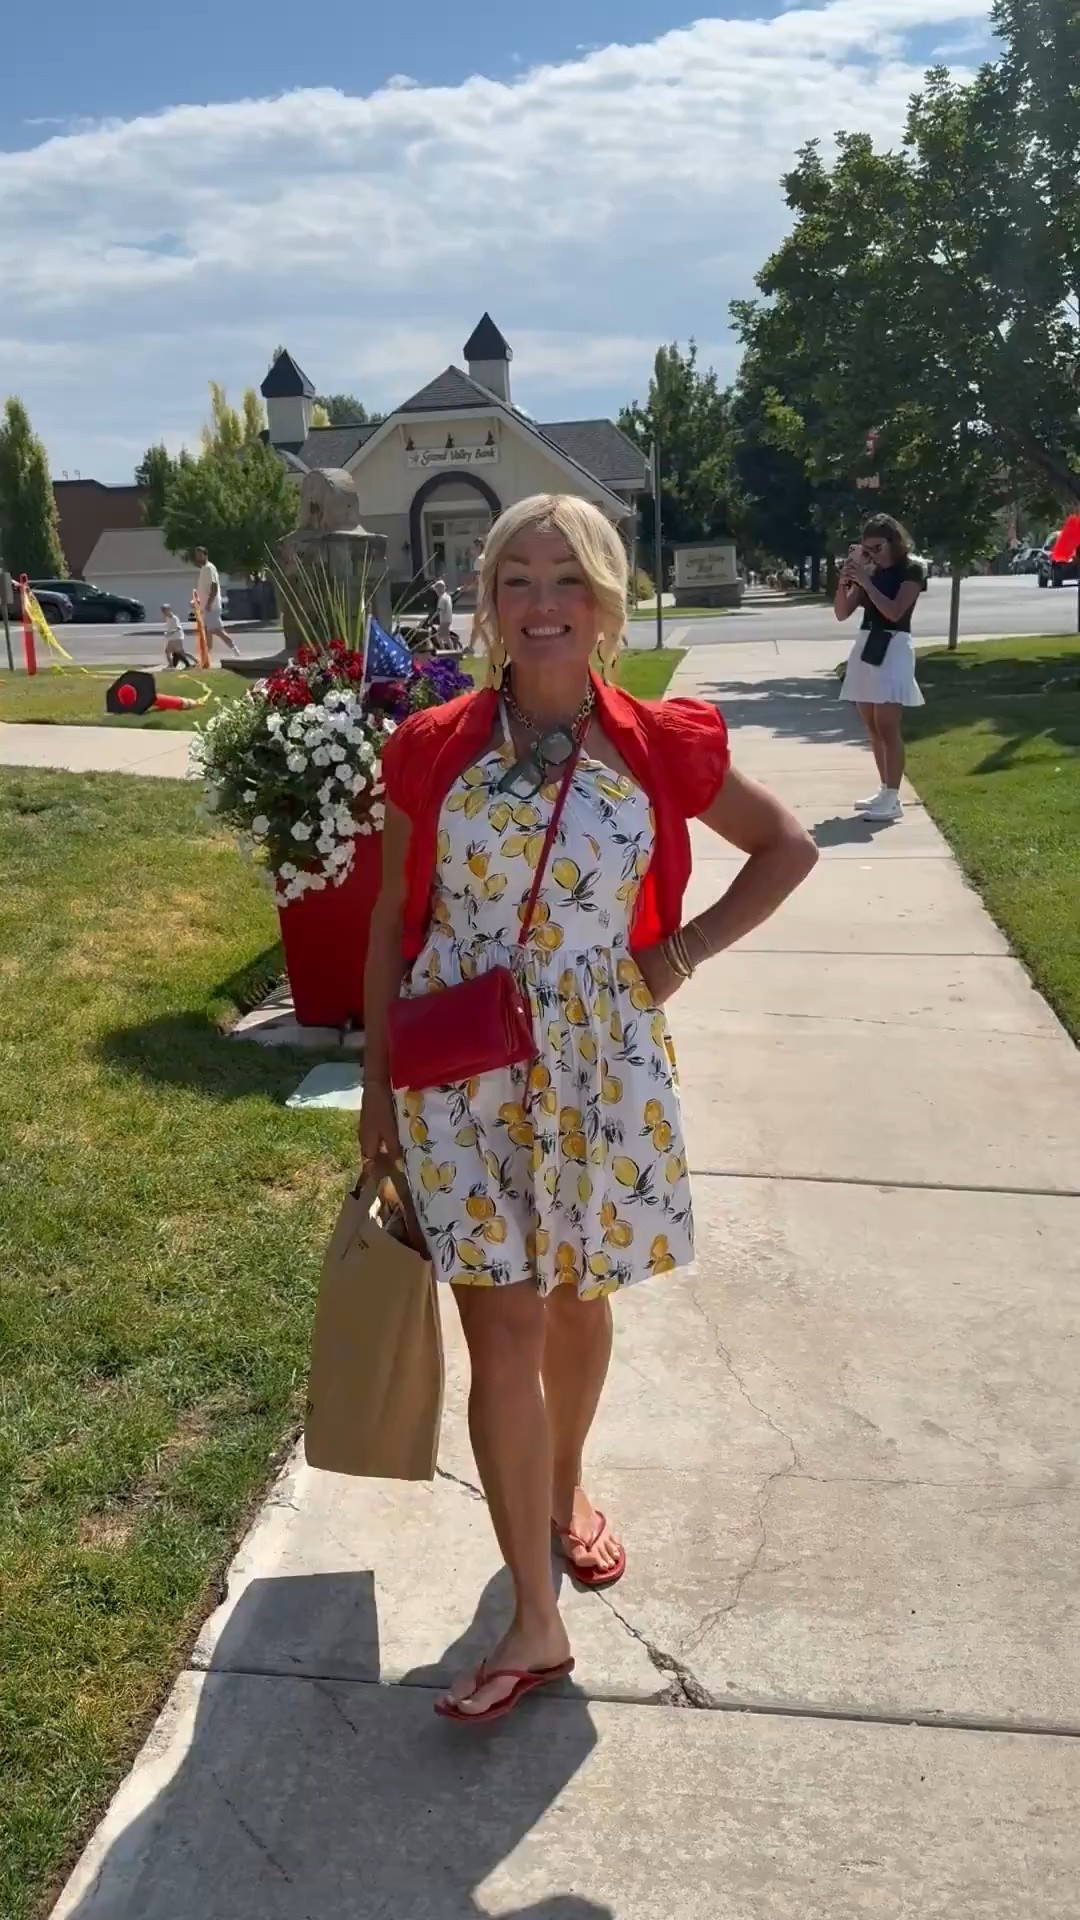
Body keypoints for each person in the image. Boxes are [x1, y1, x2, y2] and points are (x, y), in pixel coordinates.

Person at [359, 494, 817, 1724]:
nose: (542, 601)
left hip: (598, 1068)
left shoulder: (658, 741)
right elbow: (392, 923)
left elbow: (787, 847)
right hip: (459, 1070)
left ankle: (564, 1494)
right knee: (498, 1329)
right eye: (516, 578)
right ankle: (533, 1615)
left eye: (567, 577)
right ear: (488, 603)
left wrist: (678, 957)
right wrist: (374, 1098)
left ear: (606, 598)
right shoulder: (433, 745)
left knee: (575, 1300)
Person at [834, 514, 926, 822]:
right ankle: (885, 791)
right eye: (867, 548)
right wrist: (846, 580)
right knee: (871, 724)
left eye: (877, 547)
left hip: (894, 644)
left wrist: (866, 581)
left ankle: (892, 795)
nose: (872, 553)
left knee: (887, 725)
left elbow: (894, 610)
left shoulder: (912, 569)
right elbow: (842, 612)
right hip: (866, 644)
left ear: (894, 542)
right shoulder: (869, 571)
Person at [193, 546, 240, 658]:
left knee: (217, 631)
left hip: (212, 607)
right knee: (208, 632)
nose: (198, 557)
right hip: (206, 607)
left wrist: (209, 603)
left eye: (200, 554)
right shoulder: (203, 569)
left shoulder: (209, 568)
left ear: (205, 555)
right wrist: (199, 601)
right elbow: (204, 588)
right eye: (197, 555)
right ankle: (207, 655)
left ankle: (234, 650)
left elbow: (214, 586)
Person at [161, 604, 196, 670]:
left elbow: (178, 628)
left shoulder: (174, 618)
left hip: (177, 638)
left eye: (165, 610)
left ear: (169, 610)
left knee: (181, 652)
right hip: (172, 638)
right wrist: (168, 633)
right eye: (163, 611)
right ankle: (171, 665)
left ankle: (194, 661)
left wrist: (171, 632)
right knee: (168, 651)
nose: (164, 613)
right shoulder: (168, 618)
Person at [433, 577, 456, 650]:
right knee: (446, 637)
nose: (436, 591)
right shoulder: (448, 596)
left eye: (436, 589)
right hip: (448, 620)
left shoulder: (442, 598)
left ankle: (444, 650)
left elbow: (438, 610)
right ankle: (451, 651)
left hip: (444, 621)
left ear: (440, 589)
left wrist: (431, 619)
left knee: (438, 636)